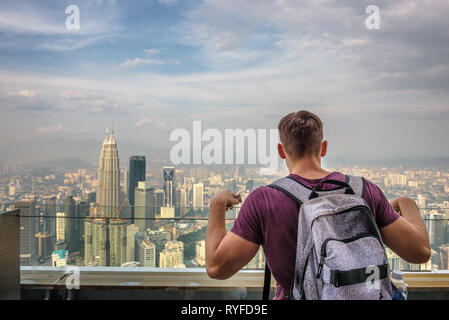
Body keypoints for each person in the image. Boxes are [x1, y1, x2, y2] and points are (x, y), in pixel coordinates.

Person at [205, 110, 431, 300]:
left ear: (281, 151)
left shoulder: (264, 200)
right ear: (323, 148)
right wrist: (407, 204)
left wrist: (217, 205)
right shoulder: (364, 191)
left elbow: (217, 268)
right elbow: (420, 253)